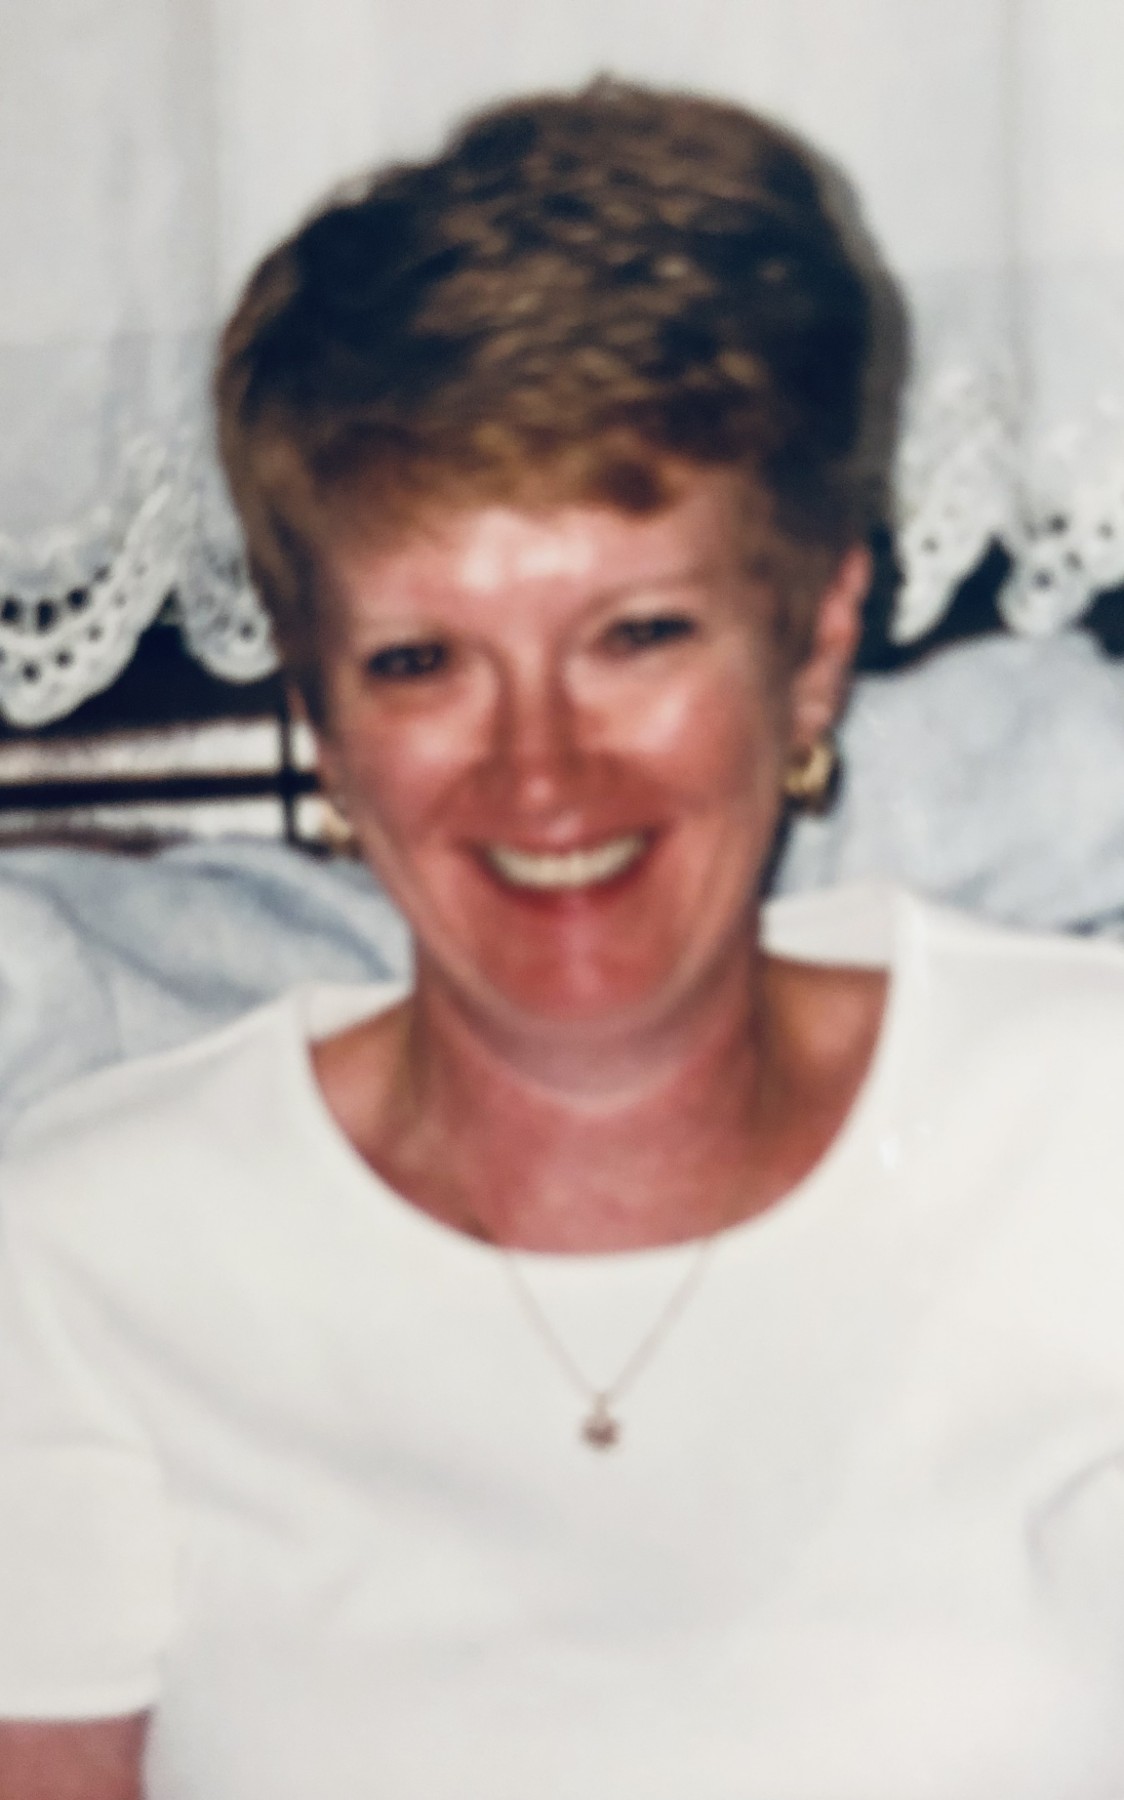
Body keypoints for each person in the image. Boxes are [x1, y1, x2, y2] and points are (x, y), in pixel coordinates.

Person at [4, 77, 1124, 1800]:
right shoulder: (85, 1251)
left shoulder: (1083, 1130)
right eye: (421, 663)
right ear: (320, 714)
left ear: (815, 643)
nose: (541, 773)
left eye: (637, 634)